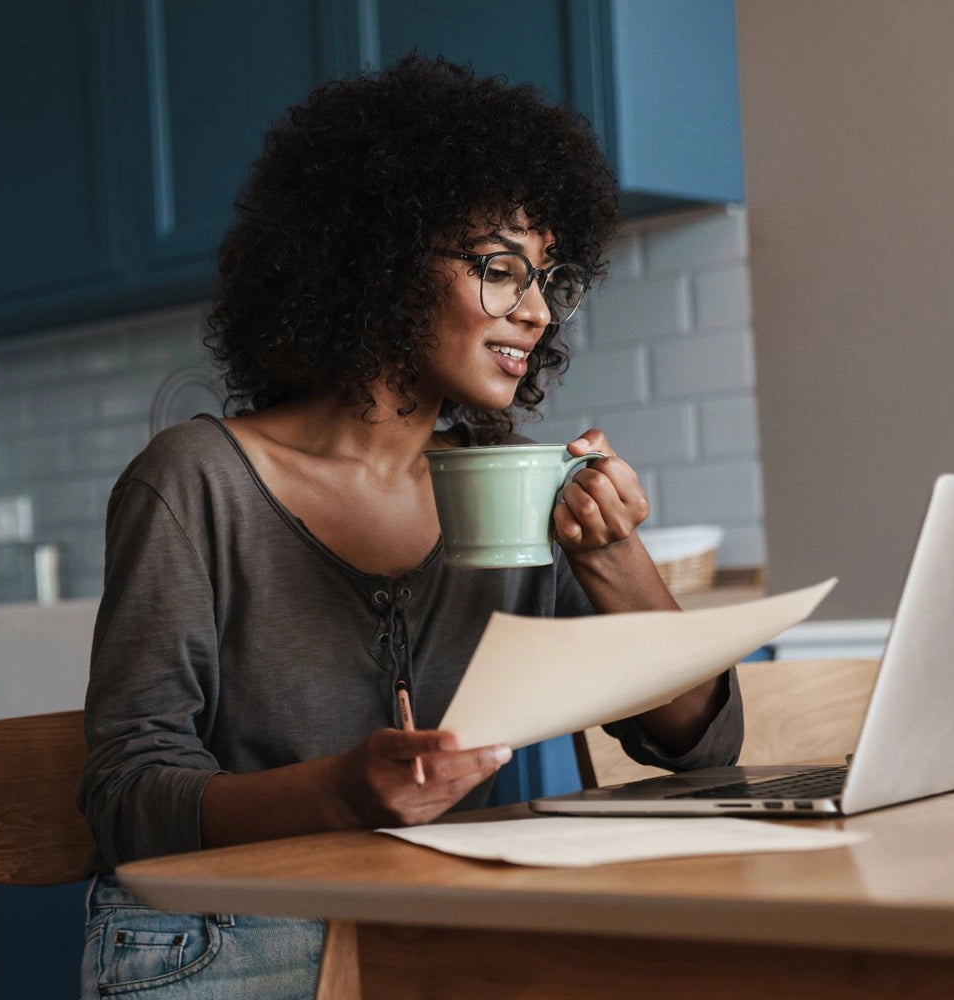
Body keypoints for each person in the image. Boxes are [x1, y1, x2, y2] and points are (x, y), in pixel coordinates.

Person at [77, 54, 743, 999]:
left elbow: (697, 743)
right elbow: (125, 798)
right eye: (501, 270)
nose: (540, 311)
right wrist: (342, 793)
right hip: (225, 945)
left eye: (550, 277)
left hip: (448, 932)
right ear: (379, 261)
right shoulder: (194, 483)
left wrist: (610, 553)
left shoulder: (507, 483)